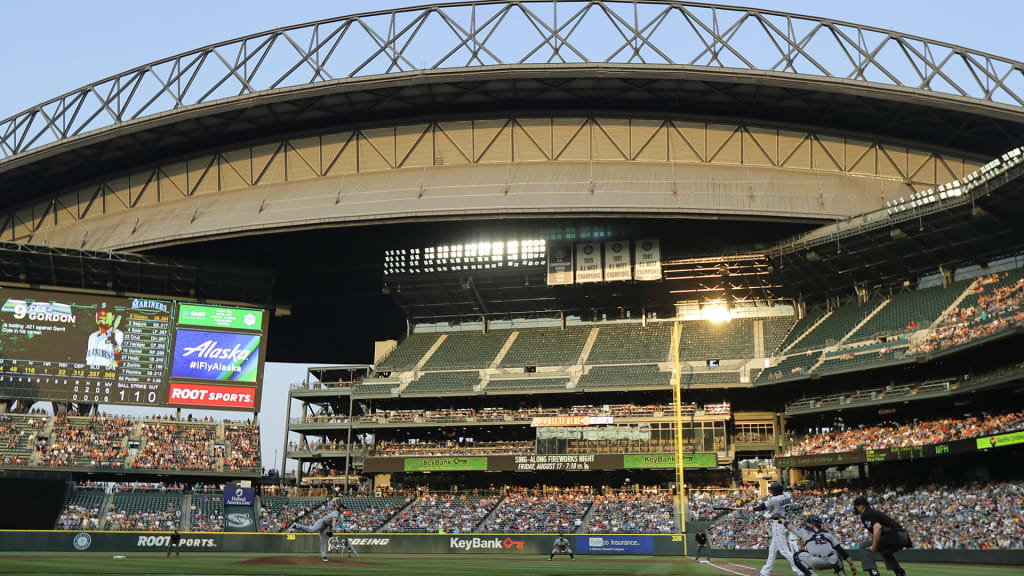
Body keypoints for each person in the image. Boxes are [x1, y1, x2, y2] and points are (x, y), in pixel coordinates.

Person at [853, 496, 911, 576]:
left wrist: (873, 546)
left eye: (856, 506)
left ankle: (874, 573)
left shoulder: (866, 514)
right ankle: (899, 572)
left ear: (861, 506)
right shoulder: (873, 512)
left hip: (895, 536)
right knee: (884, 550)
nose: (856, 508)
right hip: (904, 537)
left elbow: (877, 527)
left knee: (863, 546)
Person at [753, 482, 801, 576]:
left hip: (778, 524)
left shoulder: (775, 499)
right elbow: (766, 505)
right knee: (772, 550)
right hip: (784, 523)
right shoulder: (786, 496)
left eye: (773, 491)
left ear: (777, 491)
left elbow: (762, 506)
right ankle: (765, 572)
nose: (772, 493)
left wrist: (754, 509)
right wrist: (756, 508)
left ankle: (801, 570)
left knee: (784, 550)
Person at [786, 515, 856, 576]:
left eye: (808, 523)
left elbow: (790, 527)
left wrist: (783, 520)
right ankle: (842, 574)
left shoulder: (805, 533)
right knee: (835, 553)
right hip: (831, 561)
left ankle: (812, 574)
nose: (807, 525)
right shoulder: (828, 534)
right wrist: (851, 564)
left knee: (796, 556)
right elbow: (841, 551)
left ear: (812, 524)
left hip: (816, 562)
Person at [292, 498, 345, 562]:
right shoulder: (336, 513)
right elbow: (333, 522)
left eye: (344, 508)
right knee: (312, 530)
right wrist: (335, 528)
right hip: (321, 522)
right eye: (343, 508)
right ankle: (297, 525)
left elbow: (331, 524)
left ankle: (324, 556)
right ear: (340, 508)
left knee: (323, 542)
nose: (344, 509)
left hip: (325, 527)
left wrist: (330, 530)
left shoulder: (339, 516)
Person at [86, 303, 123, 369]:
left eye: (106, 312)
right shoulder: (92, 336)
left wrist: (114, 342)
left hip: (107, 376)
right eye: (99, 312)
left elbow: (119, 360)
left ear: (113, 317)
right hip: (90, 376)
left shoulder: (118, 334)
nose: (101, 314)